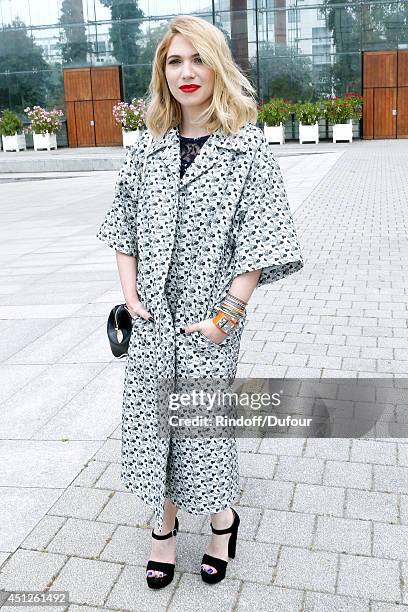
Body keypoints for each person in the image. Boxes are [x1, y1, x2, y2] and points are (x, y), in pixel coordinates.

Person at [96, 14, 304, 589]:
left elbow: (260, 239)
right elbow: (123, 223)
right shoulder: (149, 147)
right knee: (147, 423)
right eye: (173, 61)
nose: (186, 72)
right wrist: (129, 294)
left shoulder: (247, 149)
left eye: (198, 59)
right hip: (152, 320)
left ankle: (221, 521)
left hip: (210, 320)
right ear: (162, 72)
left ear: (218, 66)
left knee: (200, 425)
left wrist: (226, 317)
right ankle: (161, 533)